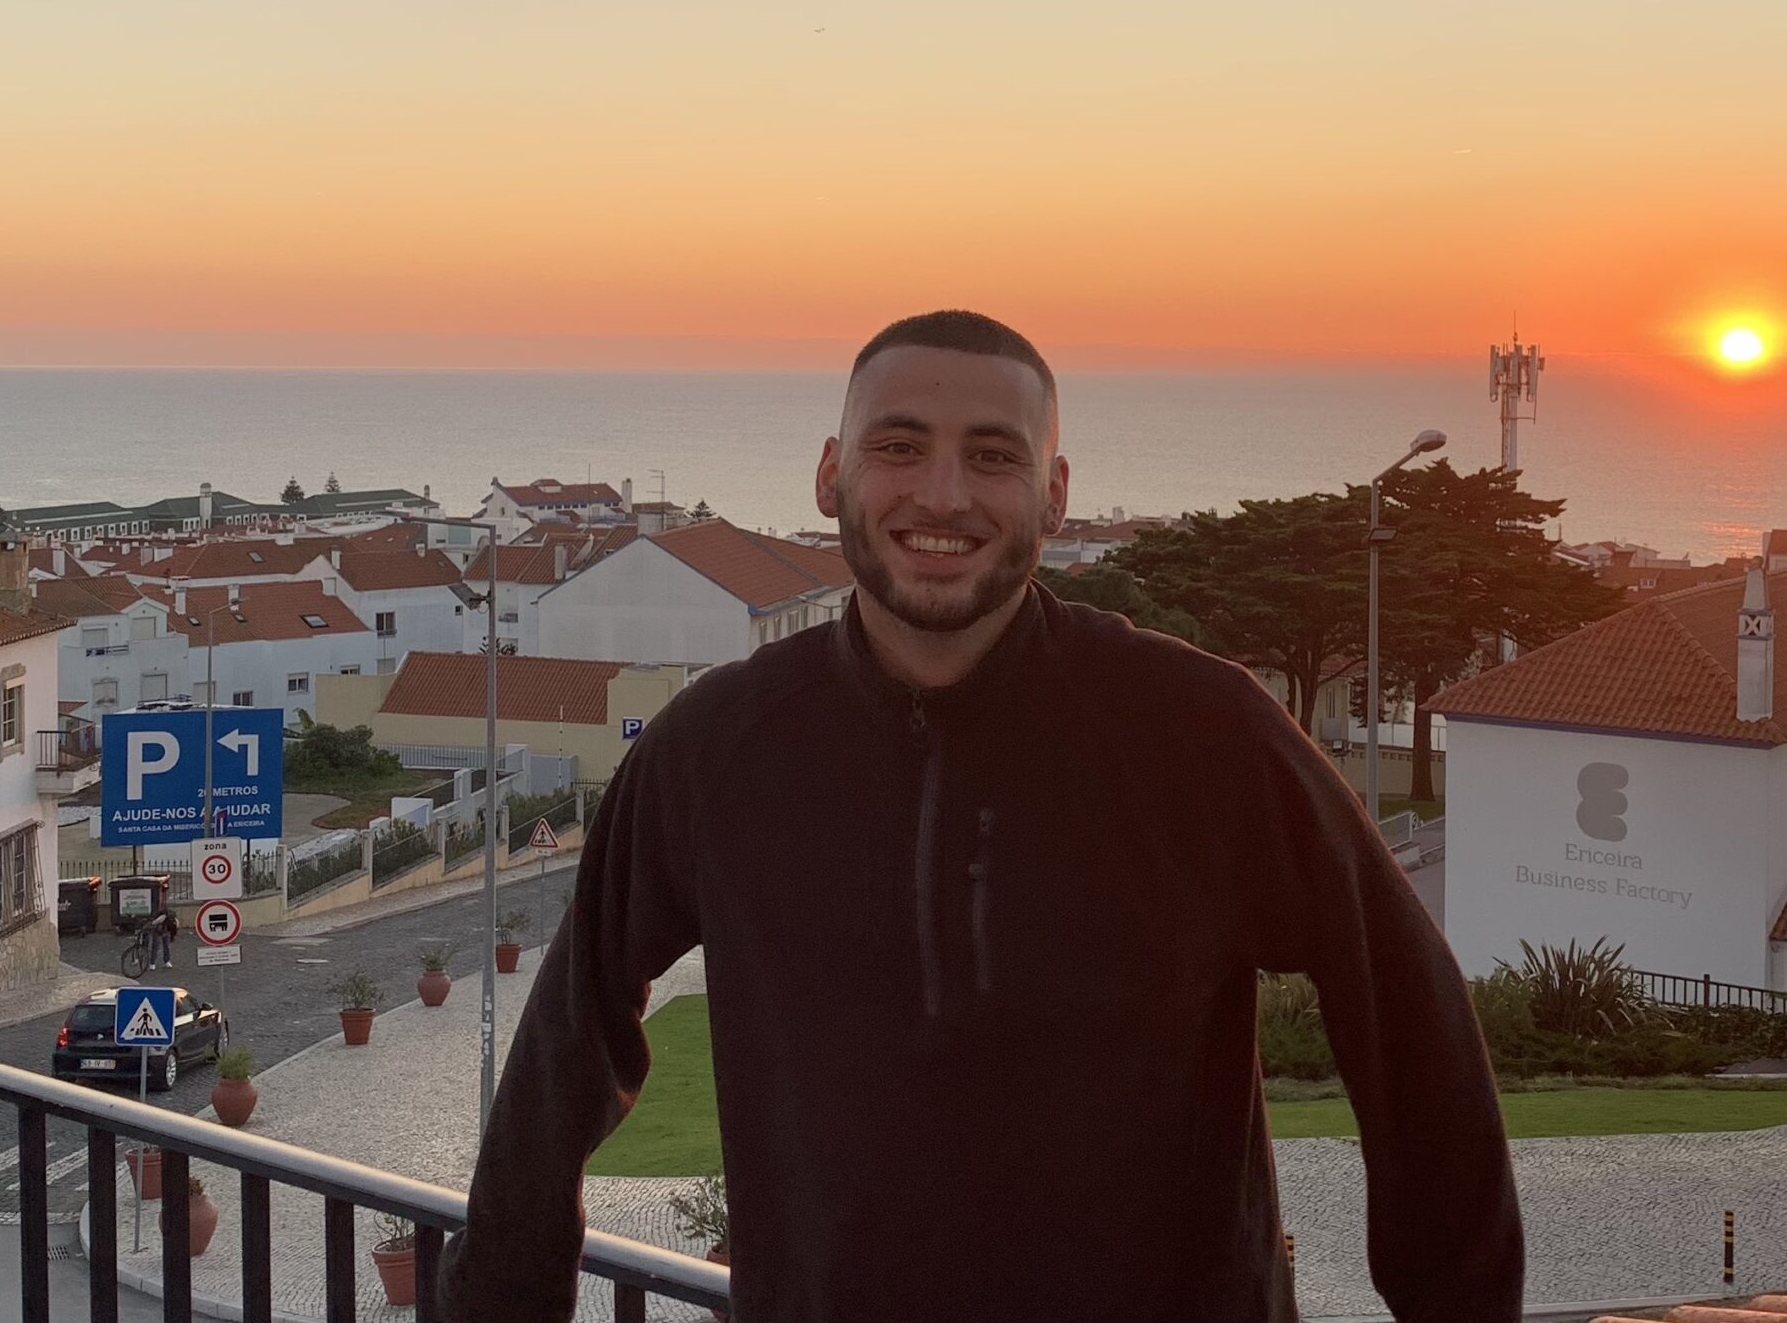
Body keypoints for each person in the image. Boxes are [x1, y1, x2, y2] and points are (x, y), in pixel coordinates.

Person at [435, 311, 1521, 1322]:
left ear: (1053, 493)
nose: (943, 494)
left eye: (993, 455)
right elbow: (569, 1039)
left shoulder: (1203, 733)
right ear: (831, 473)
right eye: (898, 446)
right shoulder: (718, 748)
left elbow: (1407, 1014)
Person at [149, 903, 178, 970]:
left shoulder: (167, 918)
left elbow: (154, 922)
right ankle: (164, 961)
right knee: (162, 947)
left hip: (163, 931)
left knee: (158, 947)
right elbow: (175, 929)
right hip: (160, 931)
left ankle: (153, 963)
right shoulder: (169, 919)